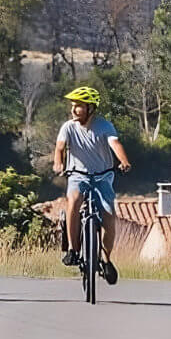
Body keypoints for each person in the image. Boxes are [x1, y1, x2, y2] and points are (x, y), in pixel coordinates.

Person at [53, 85, 131, 284]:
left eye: (78, 106)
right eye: (73, 105)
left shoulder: (104, 126)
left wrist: (124, 161)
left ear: (90, 108)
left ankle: (106, 259)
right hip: (78, 175)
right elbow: (60, 147)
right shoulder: (68, 127)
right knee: (74, 201)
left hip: (103, 177)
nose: (73, 110)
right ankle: (72, 249)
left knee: (109, 216)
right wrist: (58, 162)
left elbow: (115, 144)